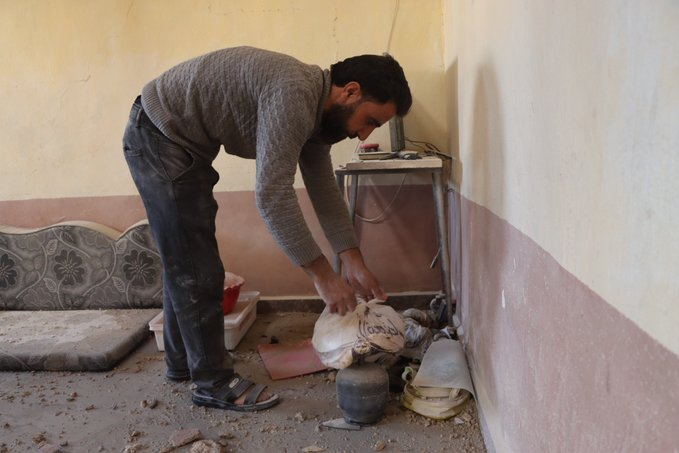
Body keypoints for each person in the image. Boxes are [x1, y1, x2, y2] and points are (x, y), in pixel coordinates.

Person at [122, 46, 412, 412]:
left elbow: (324, 190)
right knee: (196, 266)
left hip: (178, 141)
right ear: (350, 92)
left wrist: (353, 259)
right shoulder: (295, 95)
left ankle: (184, 364)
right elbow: (273, 195)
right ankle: (212, 383)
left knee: (186, 255)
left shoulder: (315, 119)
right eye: (369, 121)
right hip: (158, 134)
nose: (363, 135)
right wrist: (322, 275)